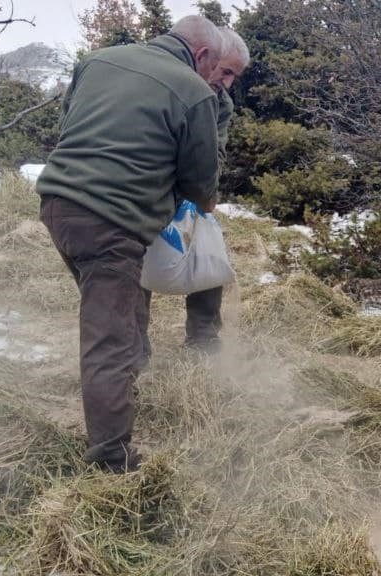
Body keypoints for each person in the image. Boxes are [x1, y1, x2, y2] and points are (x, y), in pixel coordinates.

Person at [36, 15, 225, 474]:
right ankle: (111, 460)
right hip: (111, 222)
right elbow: (200, 184)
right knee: (109, 340)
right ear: (201, 56)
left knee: (118, 313)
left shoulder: (96, 61)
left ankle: (128, 385)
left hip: (57, 203)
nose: (212, 78)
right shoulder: (193, 90)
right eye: (213, 67)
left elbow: (69, 127)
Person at [179, 26, 249, 353]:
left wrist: (204, 194)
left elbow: (215, 152)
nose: (227, 83)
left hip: (192, 185)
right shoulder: (174, 84)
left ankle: (203, 336)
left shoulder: (222, 103)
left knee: (209, 249)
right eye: (225, 71)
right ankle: (134, 342)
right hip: (150, 183)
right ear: (206, 58)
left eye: (234, 76)